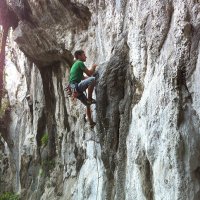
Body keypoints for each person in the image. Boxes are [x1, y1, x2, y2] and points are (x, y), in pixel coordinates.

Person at [69, 50, 97, 127]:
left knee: (88, 105)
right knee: (92, 79)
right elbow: (89, 73)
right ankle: (90, 98)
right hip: (76, 86)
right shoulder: (79, 63)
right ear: (79, 56)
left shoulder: (75, 65)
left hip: (73, 89)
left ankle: (91, 122)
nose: (86, 56)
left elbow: (84, 78)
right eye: (84, 55)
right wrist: (93, 67)